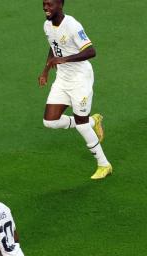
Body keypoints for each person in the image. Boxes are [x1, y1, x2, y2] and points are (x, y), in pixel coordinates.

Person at [39, 0, 112, 180]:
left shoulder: (72, 25)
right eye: (44, 4)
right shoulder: (47, 25)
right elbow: (53, 45)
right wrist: (46, 70)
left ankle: (104, 164)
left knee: (81, 124)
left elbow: (91, 51)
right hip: (63, 79)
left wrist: (64, 60)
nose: (46, 8)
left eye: (50, 5)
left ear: (60, 5)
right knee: (50, 121)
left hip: (80, 79)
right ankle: (93, 122)